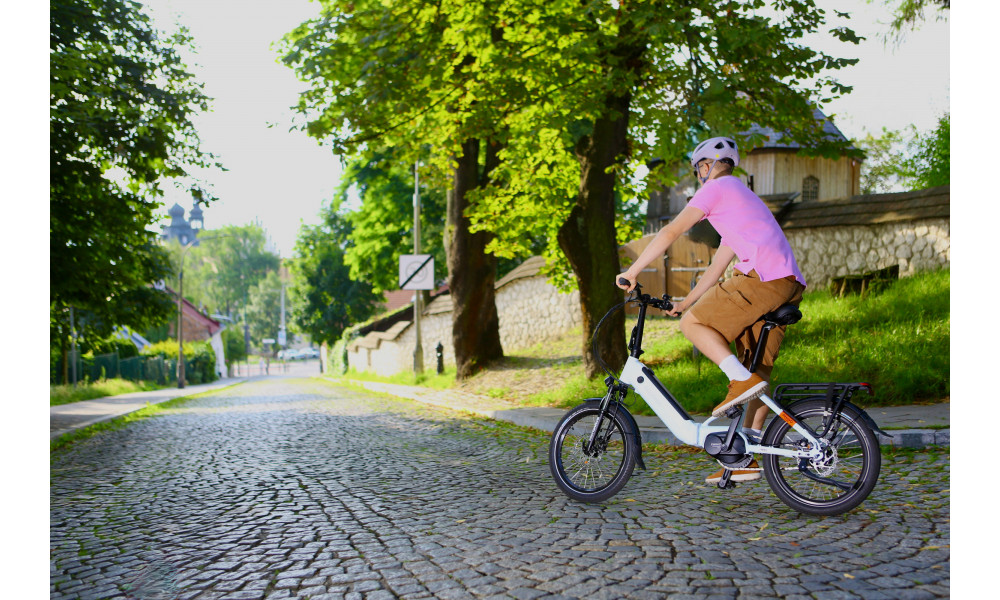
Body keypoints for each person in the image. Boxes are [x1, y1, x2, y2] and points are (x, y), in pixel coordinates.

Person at [616, 136, 806, 484]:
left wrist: (632, 271)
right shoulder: (741, 199)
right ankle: (744, 456)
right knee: (756, 368)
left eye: (699, 169)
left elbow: (672, 230)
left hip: (763, 279)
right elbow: (719, 263)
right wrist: (685, 301)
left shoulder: (716, 189)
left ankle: (737, 380)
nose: (700, 175)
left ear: (705, 167)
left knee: (693, 325)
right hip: (788, 285)